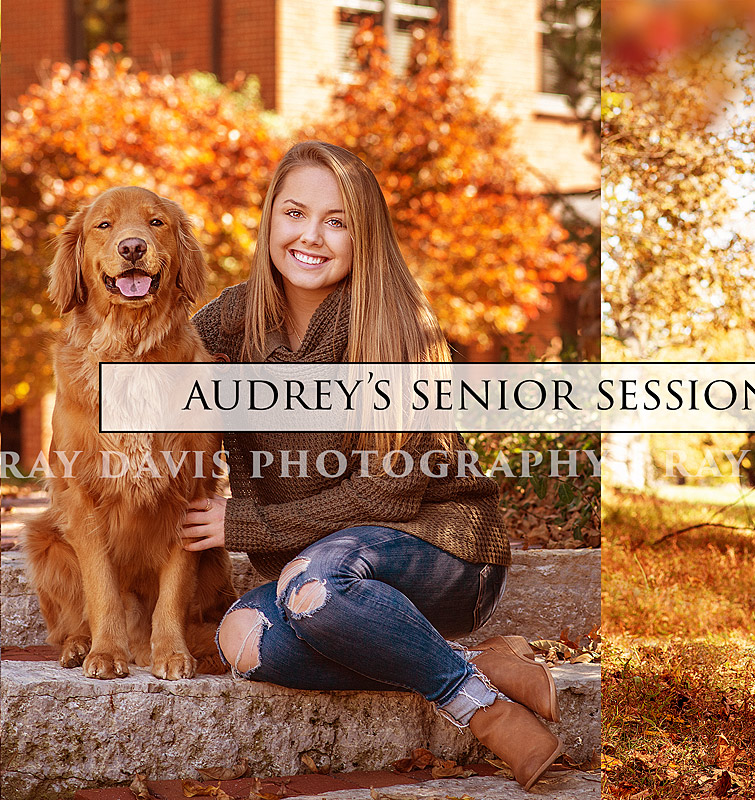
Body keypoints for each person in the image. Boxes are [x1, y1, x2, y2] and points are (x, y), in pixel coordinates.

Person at [181, 141, 563, 790]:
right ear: (270, 220)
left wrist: (246, 523)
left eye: (337, 222)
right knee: (241, 638)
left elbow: (386, 495)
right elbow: (157, 379)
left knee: (314, 584)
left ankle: (481, 708)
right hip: (325, 581)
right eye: (294, 213)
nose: (311, 236)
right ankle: (480, 662)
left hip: (442, 550)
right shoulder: (230, 321)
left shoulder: (399, 324)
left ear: (365, 235)